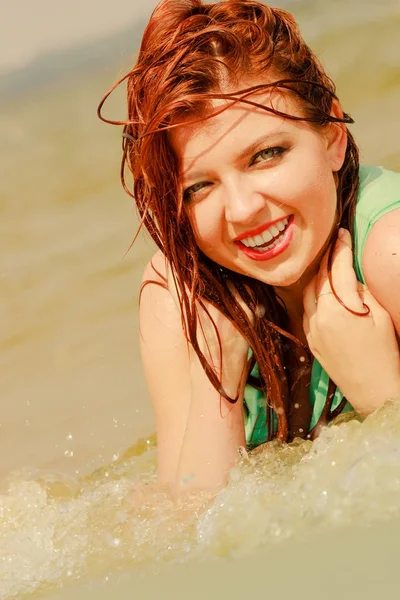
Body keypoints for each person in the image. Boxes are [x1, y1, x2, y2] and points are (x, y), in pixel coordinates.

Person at [98, 0, 400, 494]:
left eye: (266, 155)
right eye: (200, 186)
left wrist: (383, 400)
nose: (240, 210)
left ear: (331, 137)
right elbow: (183, 537)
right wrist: (219, 377)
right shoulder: (179, 294)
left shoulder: (390, 251)